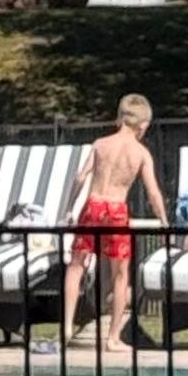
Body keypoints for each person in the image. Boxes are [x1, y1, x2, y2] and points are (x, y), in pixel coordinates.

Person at [61, 93, 164, 340]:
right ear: (143, 125)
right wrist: (164, 221)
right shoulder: (140, 153)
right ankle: (113, 337)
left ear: (119, 119)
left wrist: (69, 206)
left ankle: (66, 325)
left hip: (93, 205)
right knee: (120, 275)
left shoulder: (100, 144)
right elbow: (153, 193)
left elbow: (80, 177)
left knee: (76, 266)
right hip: (116, 210)